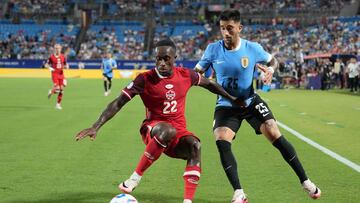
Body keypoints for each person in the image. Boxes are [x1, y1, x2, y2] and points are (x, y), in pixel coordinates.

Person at [75, 38, 243, 203]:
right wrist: (95, 126)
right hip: (152, 129)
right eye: (158, 59)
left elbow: (209, 84)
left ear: (174, 58)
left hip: (178, 132)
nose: (162, 63)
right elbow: (118, 102)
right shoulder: (144, 79)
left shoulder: (186, 75)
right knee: (167, 130)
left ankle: (187, 201)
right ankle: (134, 179)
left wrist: (231, 98)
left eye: (166, 59)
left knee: (195, 145)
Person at [194, 10, 321, 203]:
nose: (226, 33)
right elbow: (196, 73)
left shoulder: (252, 48)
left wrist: (269, 70)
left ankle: (306, 181)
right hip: (226, 104)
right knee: (221, 138)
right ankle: (238, 192)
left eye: (230, 28)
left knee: (273, 130)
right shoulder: (213, 49)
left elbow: (273, 61)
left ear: (239, 28)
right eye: (222, 29)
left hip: (250, 100)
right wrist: (203, 79)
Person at [46, 44, 69, 110]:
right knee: (58, 88)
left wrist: (67, 66)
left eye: (58, 48)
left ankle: (58, 104)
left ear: (60, 49)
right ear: (54, 49)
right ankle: (52, 91)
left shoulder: (63, 57)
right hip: (55, 74)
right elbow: (46, 64)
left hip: (61, 74)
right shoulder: (51, 57)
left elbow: (65, 64)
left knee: (61, 90)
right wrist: (50, 68)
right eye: (56, 48)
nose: (57, 49)